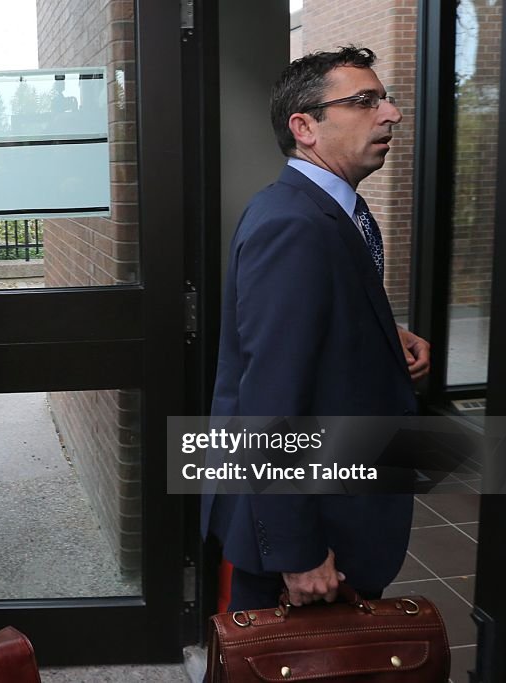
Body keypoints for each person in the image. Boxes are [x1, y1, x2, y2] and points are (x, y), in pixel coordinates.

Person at [202, 46, 431, 611]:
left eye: (385, 99)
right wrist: (297, 551)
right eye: (364, 101)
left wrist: (383, 336)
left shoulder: (333, 209)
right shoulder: (293, 225)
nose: (391, 114)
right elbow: (270, 399)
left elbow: (313, 330)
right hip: (310, 532)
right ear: (304, 127)